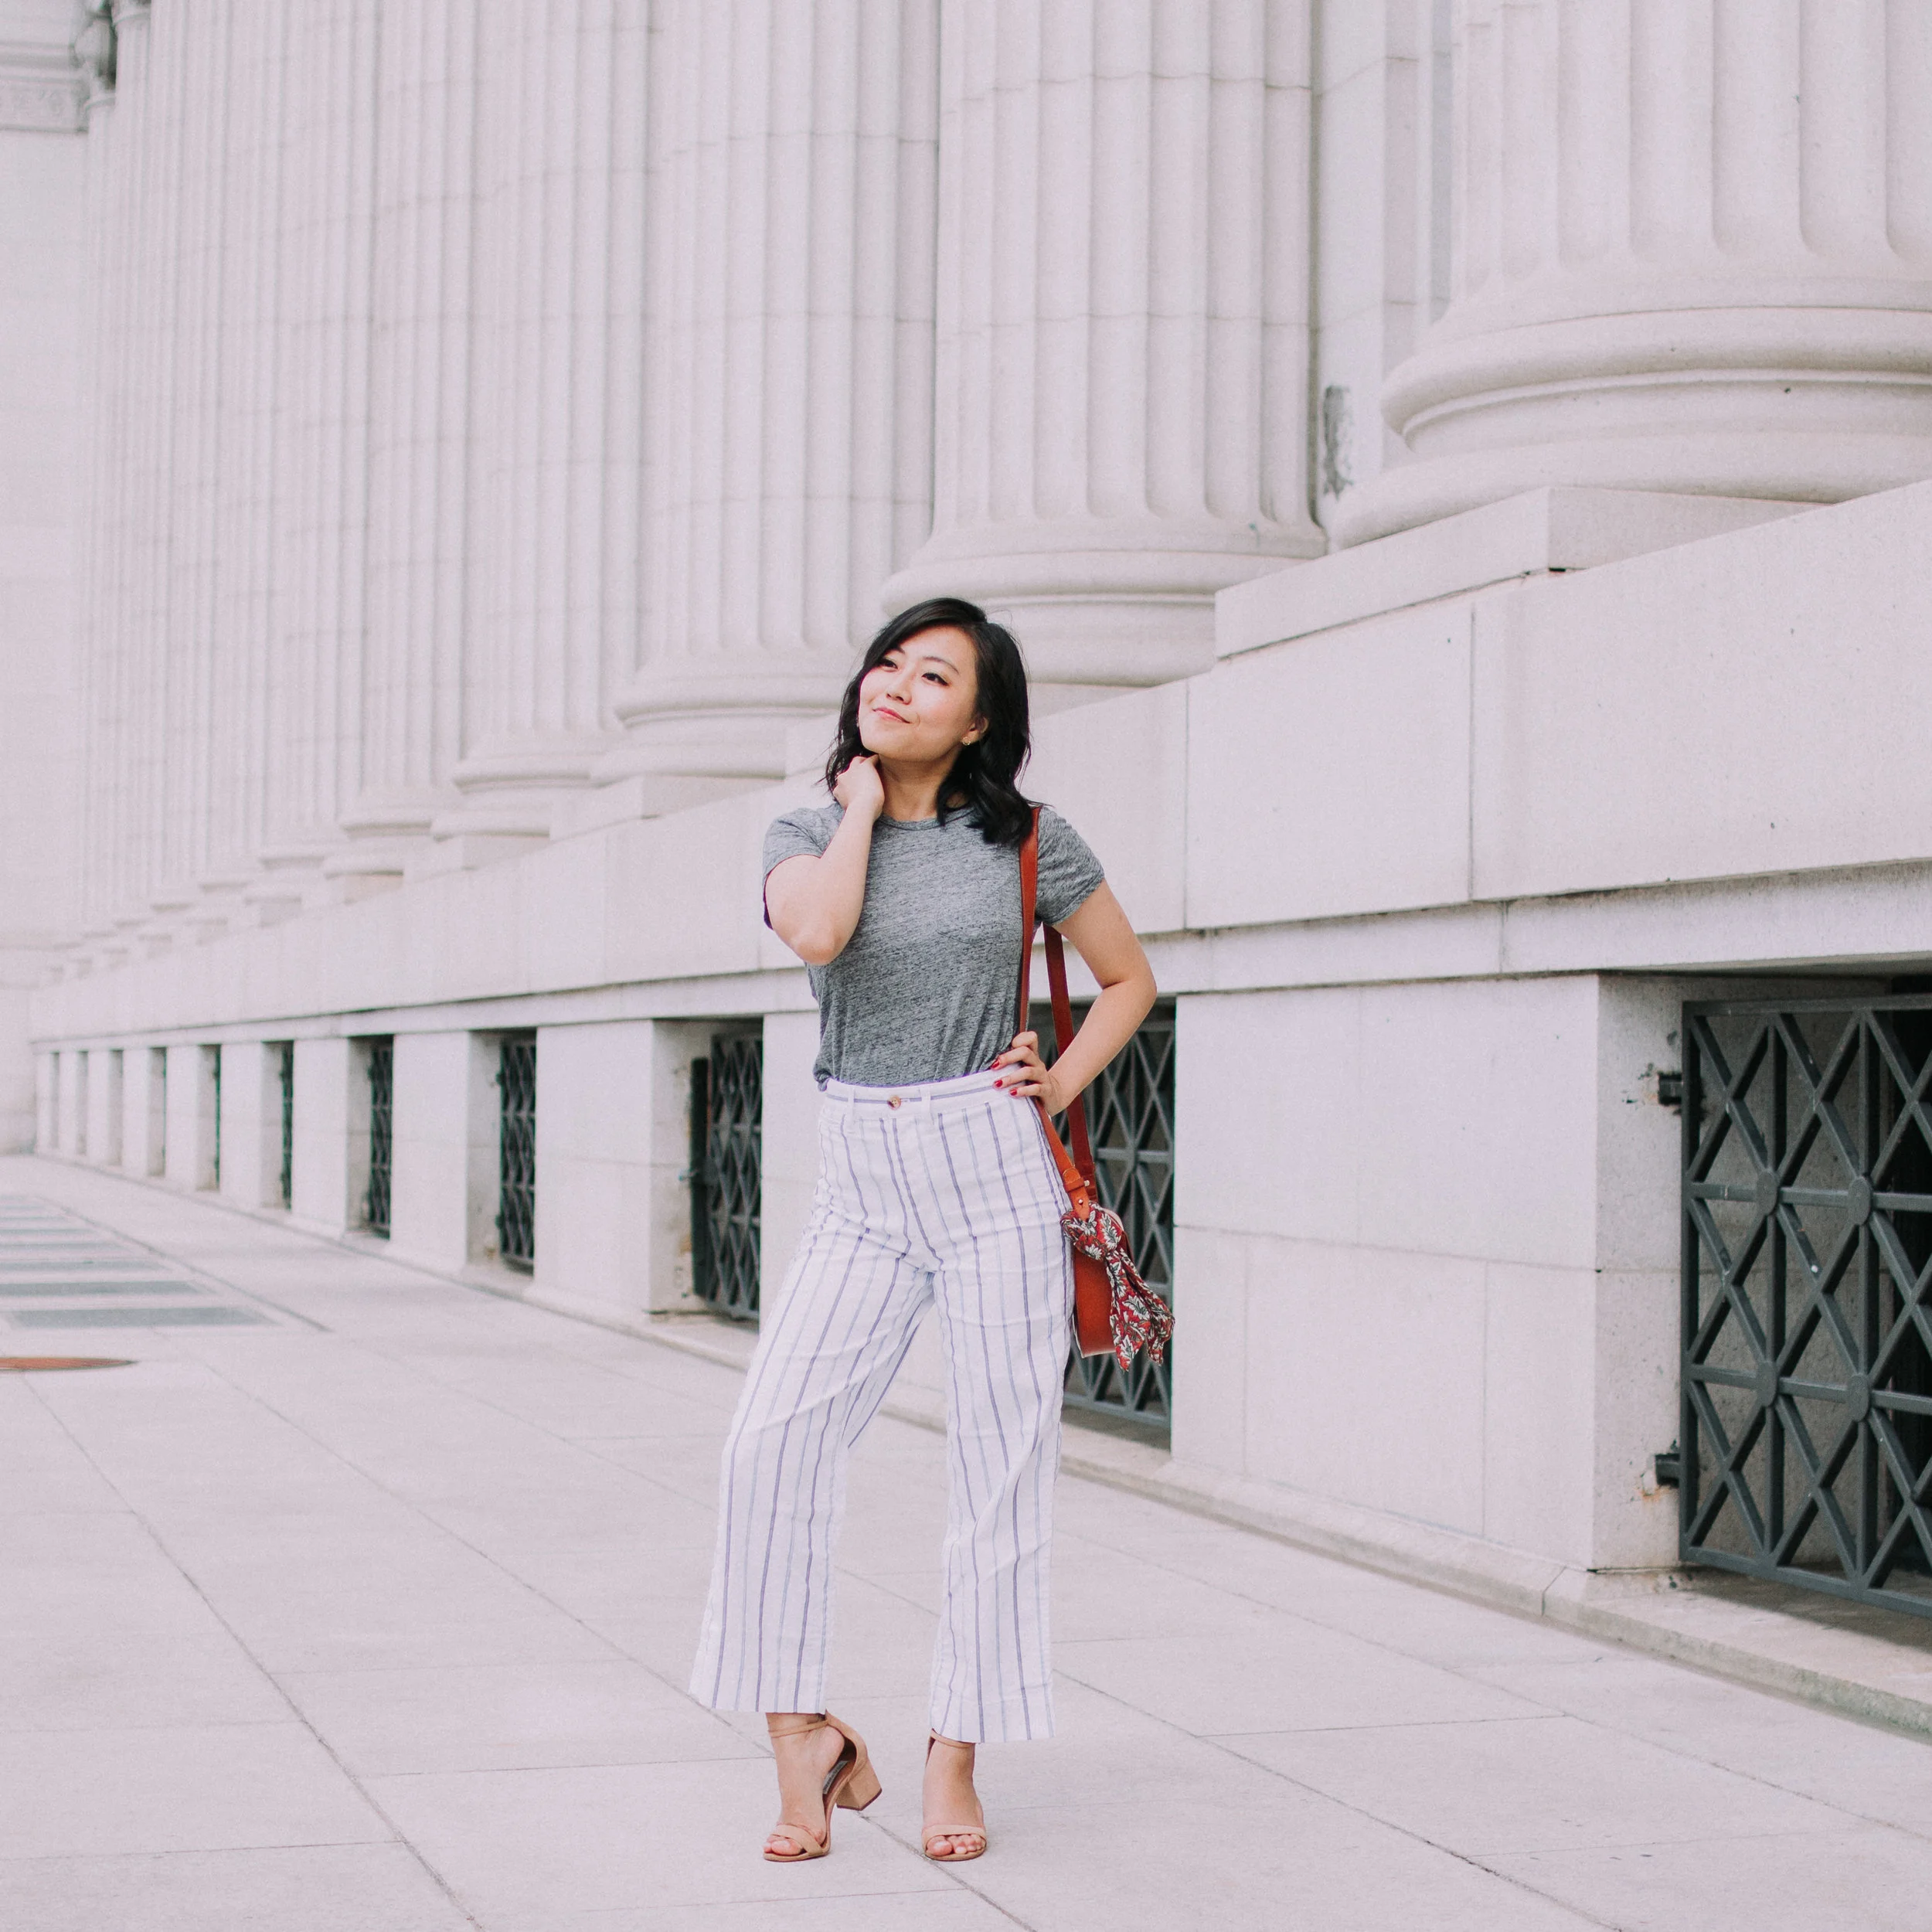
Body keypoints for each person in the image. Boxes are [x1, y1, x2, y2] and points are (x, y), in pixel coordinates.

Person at [688, 596, 1158, 1863]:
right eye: (887, 664)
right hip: (863, 1174)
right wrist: (858, 806)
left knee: (999, 1468)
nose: (896, 684)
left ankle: (957, 1751)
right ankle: (804, 1739)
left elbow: (1129, 980)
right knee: (770, 1445)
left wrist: (1057, 1081)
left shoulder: (1030, 840)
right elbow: (819, 930)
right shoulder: (803, 832)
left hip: (992, 1165)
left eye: (934, 675)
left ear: (982, 719)